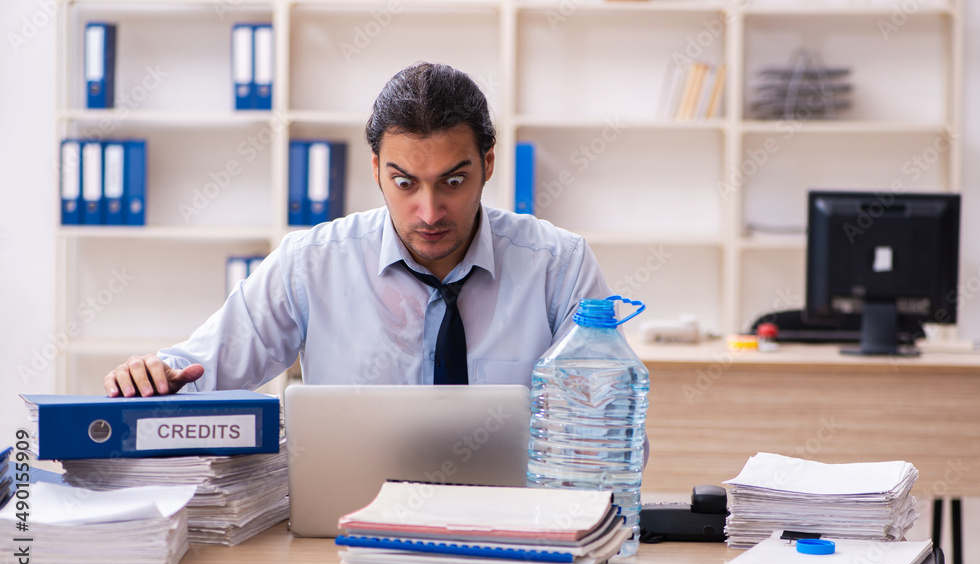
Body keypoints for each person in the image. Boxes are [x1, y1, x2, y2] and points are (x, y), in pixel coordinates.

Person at [104, 62, 612, 398]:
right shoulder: (311, 263)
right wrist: (152, 376)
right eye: (405, 182)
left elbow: (611, 432)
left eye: (453, 181)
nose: (429, 211)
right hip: (346, 533)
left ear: (489, 165)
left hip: (514, 535)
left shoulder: (559, 268)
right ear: (376, 171)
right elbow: (201, 370)